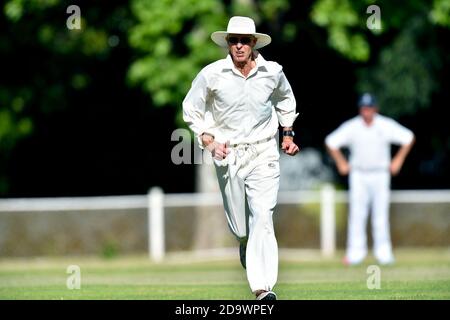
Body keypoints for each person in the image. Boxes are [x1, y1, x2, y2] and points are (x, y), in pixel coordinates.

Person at [183, 16, 299, 300]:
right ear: (227, 43)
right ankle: (244, 242)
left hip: (264, 151)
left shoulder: (273, 72)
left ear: (254, 43)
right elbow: (191, 110)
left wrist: (288, 134)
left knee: (263, 214)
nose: (238, 46)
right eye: (233, 40)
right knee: (240, 225)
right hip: (229, 153)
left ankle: (262, 287)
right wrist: (209, 142)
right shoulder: (211, 74)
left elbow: (286, 101)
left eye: (244, 41)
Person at [325, 93, 415, 266]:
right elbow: (331, 142)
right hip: (358, 174)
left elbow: (408, 137)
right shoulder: (352, 126)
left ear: (375, 108)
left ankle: (384, 253)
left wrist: (398, 160)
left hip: (381, 173)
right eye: (363, 108)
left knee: (380, 215)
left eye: (369, 108)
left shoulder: (385, 125)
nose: (366, 112)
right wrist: (342, 162)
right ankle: (355, 253)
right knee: (357, 215)